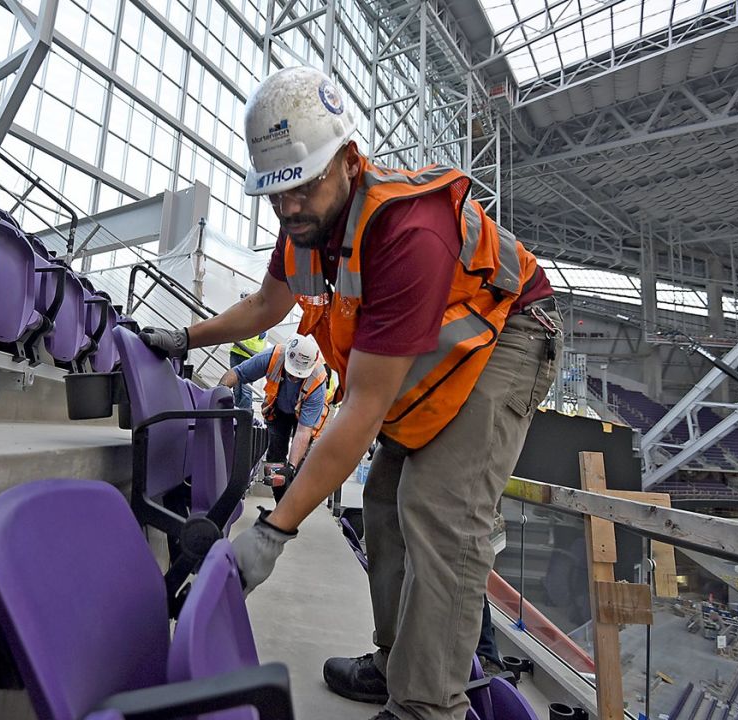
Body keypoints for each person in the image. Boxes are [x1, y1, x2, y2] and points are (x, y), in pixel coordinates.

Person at [138, 66, 559, 720]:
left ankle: (425, 707)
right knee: (387, 498)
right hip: (447, 340)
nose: (290, 207)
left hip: (512, 331)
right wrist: (185, 337)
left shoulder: (407, 233)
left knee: (441, 511)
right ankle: (397, 666)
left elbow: (361, 408)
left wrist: (276, 530)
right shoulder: (305, 220)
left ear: (349, 162)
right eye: (276, 194)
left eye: (302, 188)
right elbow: (265, 304)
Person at [220, 333, 329, 501]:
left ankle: (292, 509)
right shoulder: (274, 356)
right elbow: (238, 373)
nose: (293, 378)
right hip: (278, 411)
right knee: (275, 460)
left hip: (303, 418)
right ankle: (281, 509)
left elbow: (303, 431)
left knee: (300, 467)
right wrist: (220, 391)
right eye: (291, 373)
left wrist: (291, 467)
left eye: (298, 375)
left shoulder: (318, 380)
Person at [228, 291, 269, 410]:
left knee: (245, 389)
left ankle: (244, 417)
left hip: (249, 356)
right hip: (236, 353)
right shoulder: (238, 314)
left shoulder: (260, 316)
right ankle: (237, 414)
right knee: (237, 388)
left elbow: (261, 334)